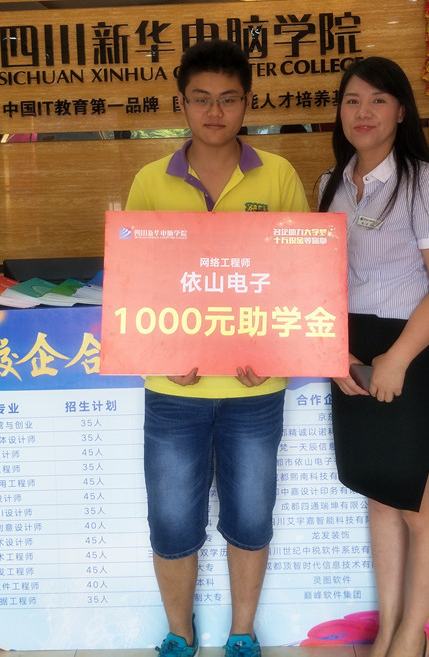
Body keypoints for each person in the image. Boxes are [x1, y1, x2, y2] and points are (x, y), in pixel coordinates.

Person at [126, 39, 309, 657]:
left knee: (251, 515)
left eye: (228, 99)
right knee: (172, 520)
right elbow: (137, 282)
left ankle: (242, 631)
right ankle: (179, 634)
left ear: (247, 104)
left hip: (256, 386)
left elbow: (298, 277)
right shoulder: (151, 181)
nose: (214, 111)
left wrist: (276, 355)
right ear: (181, 103)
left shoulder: (277, 175)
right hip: (172, 386)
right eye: (201, 98)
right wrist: (162, 353)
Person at [318, 57, 429, 657]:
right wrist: (334, 357)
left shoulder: (426, 183)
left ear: (401, 111)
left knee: (421, 508)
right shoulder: (331, 184)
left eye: (378, 100)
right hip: (351, 351)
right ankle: (386, 630)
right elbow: (321, 285)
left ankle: (410, 636)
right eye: (352, 100)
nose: (363, 112)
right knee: (381, 496)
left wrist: (397, 359)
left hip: (412, 351)